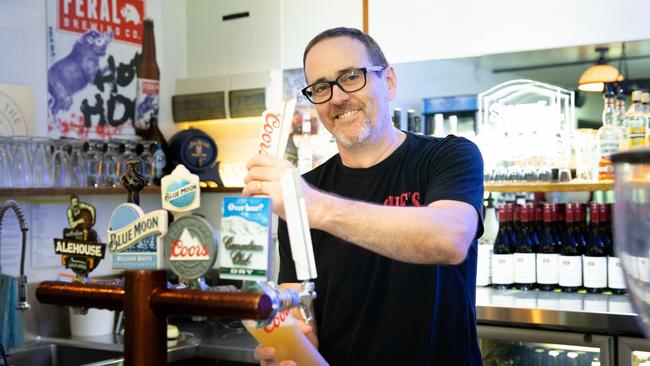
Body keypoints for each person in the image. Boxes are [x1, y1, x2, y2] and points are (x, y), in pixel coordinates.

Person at [243, 27, 484, 366]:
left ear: (388, 81)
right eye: (322, 87)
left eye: (351, 77)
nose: (337, 97)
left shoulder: (448, 156)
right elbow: (300, 312)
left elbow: (450, 238)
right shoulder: (301, 192)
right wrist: (293, 345)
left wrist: (312, 206)